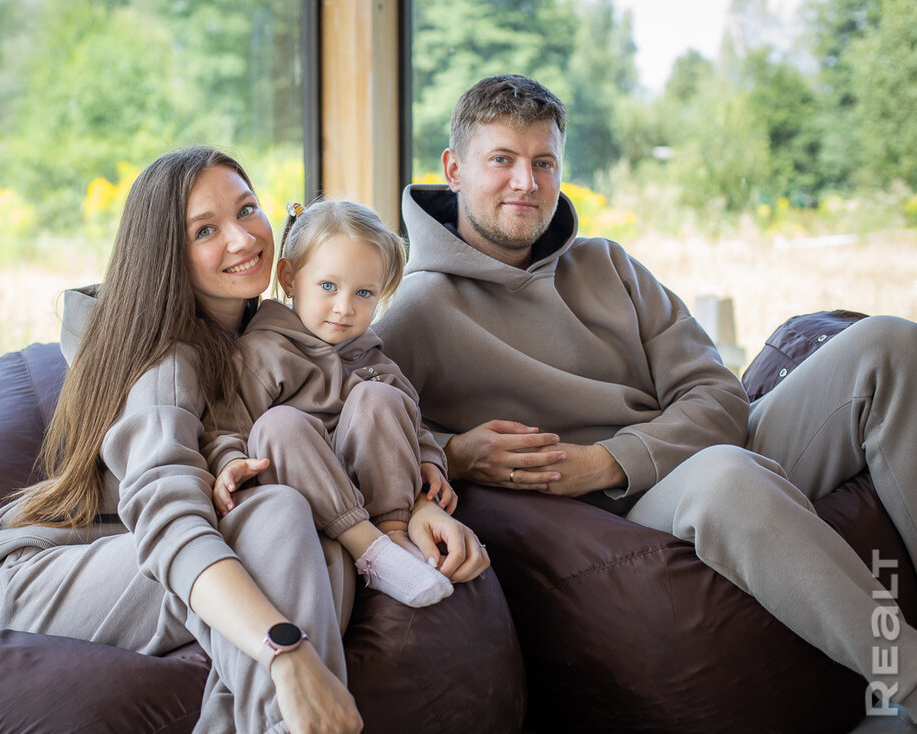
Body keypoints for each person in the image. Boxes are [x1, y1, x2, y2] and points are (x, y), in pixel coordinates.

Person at [374, 73, 917, 719]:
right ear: (454, 170)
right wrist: (456, 454)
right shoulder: (416, 312)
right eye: (502, 160)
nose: (526, 182)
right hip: (626, 520)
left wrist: (610, 459)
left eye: (544, 162)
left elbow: (718, 395)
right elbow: (364, 436)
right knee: (726, 477)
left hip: (689, 454)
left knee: (887, 342)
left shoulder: (609, 265)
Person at [0, 146, 490, 734]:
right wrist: (287, 653)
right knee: (278, 516)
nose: (243, 239)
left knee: (323, 547)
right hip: (51, 577)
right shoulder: (165, 365)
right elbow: (168, 519)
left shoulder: (270, 329)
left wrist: (417, 500)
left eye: (246, 210)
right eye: (205, 230)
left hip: (165, 550)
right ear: (168, 256)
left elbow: (351, 424)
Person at [201, 199, 457, 609]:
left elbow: (411, 424)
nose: (344, 308)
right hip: (304, 492)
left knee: (380, 395)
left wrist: (429, 461)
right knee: (279, 424)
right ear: (289, 278)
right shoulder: (260, 353)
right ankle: (369, 550)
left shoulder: (373, 357)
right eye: (328, 286)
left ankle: (394, 534)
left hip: (371, 489)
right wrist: (229, 461)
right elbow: (225, 425)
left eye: (364, 293)